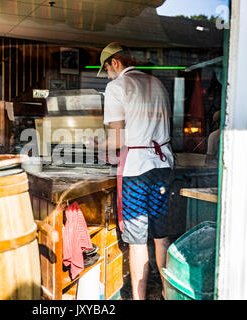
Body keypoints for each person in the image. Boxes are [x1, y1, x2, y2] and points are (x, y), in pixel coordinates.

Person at [92, 42, 175, 300]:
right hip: (163, 165)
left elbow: (118, 139)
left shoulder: (117, 86)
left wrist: (95, 144)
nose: (107, 76)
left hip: (137, 169)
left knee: (137, 240)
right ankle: (167, 293)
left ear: (114, 63)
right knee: (161, 236)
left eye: (106, 70)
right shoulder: (157, 84)